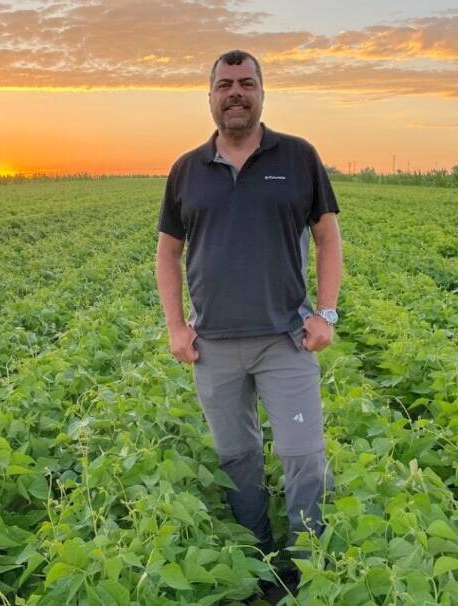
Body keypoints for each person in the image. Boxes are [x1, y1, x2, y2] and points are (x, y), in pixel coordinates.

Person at [154, 49, 342, 593]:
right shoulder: (186, 170)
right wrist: (176, 326)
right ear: (210, 96)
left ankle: (306, 569)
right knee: (236, 459)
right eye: (225, 84)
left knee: (304, 457)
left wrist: (326, 313)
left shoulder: (298, 156)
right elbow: (168, 252)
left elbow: (328, 238)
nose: (235, 93)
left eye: (246, 83)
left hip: (286, 339)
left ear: (262, 92)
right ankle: (257, 563)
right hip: (214, 345)